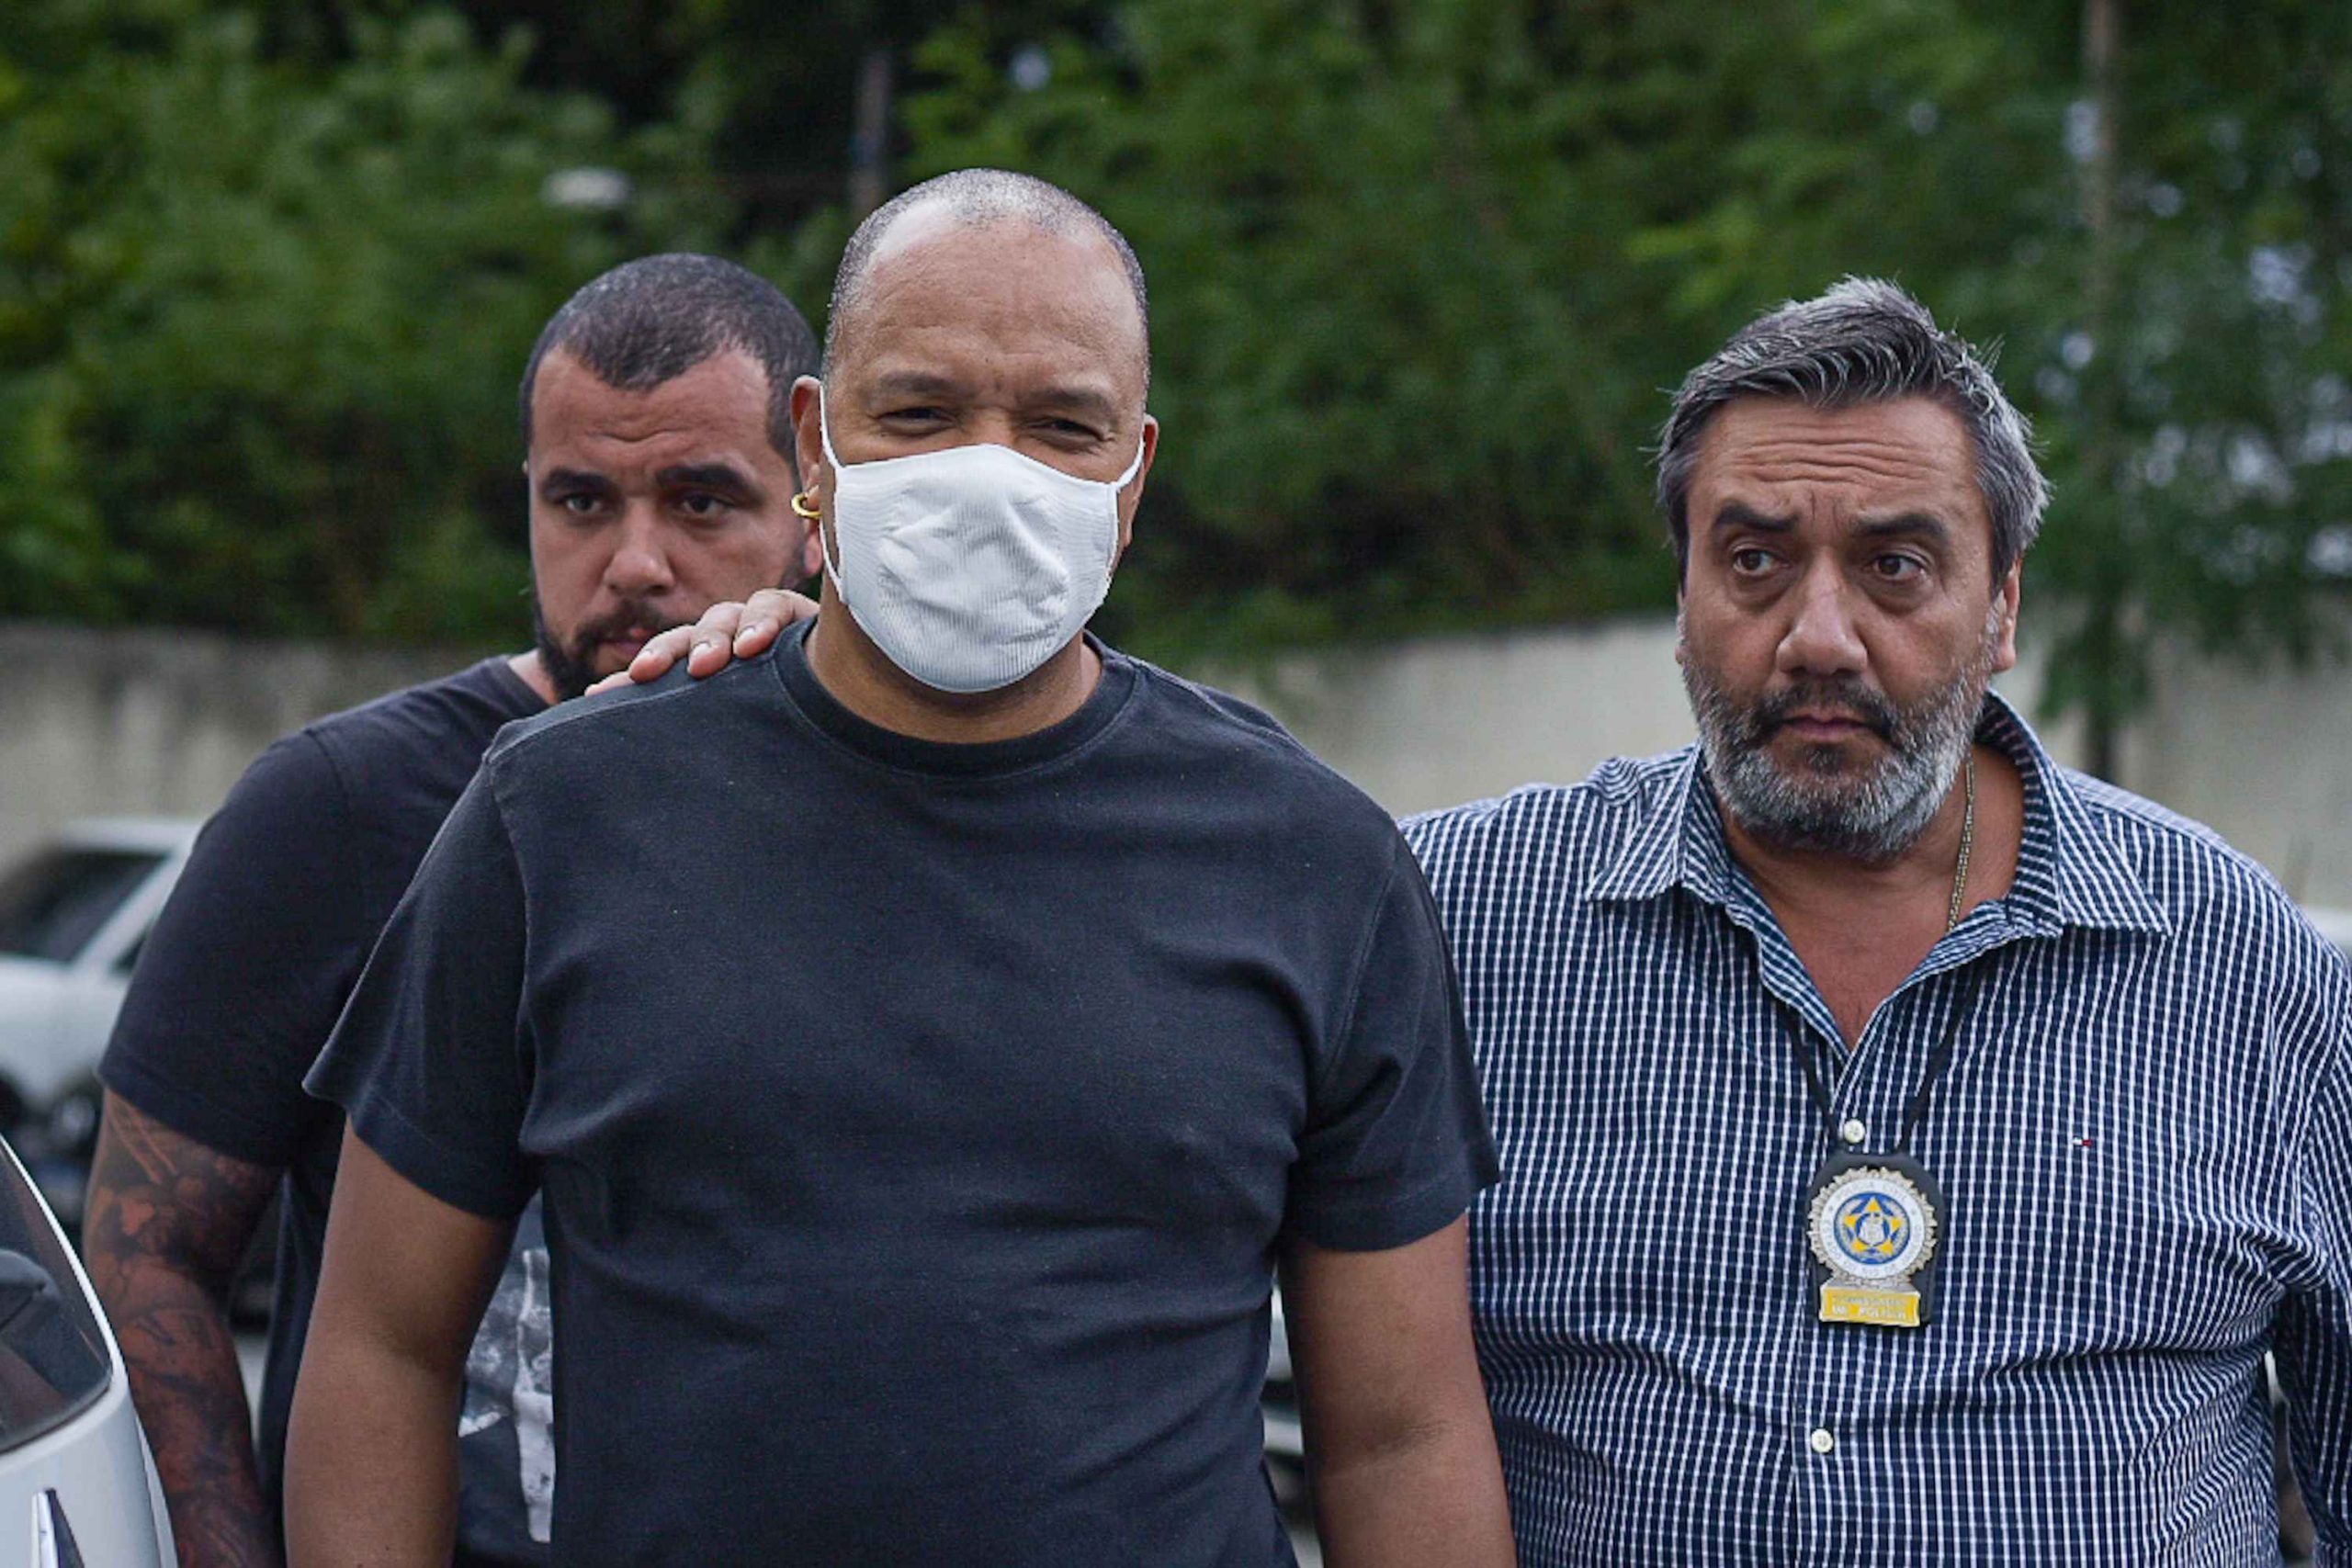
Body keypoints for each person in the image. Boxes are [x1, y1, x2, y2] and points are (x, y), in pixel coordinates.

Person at [635, 276, 2352, 1563]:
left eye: (1899, 565)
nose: (1819, 633)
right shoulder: (1445, 915)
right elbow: (1093, 875)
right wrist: (834, 684)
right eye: (1753, 559)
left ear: (2004, 601)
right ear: (1679, 592)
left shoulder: (2245, 967)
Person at [287, 169, 1513, 1566]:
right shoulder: (560, 813)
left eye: (1063, 425)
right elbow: (382, 1348)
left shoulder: (1314, 862)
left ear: (1133, 480)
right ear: (815, 444)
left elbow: (1398, 1431)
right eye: (920, 412)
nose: (990, 473)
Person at [85, 253, 826, 1568]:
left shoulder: (879, 801)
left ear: (814, 510)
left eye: (704, 500)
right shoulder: (342, 806)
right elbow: (151, 1258)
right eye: (580, 500)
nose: (636, 562)